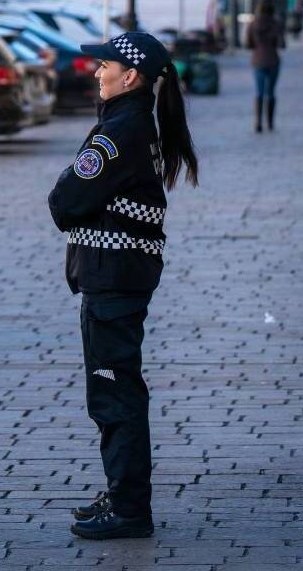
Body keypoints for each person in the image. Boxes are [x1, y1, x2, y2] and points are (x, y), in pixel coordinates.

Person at [48, 32, 198, 540]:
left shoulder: (120, 131)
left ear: (129, 76)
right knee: (116, 390)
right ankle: (121, 492)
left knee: (114, 394)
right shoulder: (133, 123)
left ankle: (130, 508)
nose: (96, 73)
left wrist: (71, 183)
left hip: (114, 277)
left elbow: (65, 201)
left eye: (104, 66)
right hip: (121, 275)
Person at [246, 0, 285, 133]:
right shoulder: (276, 24)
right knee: (271, 93)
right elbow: (282, 44)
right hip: (273, 60)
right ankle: (270, 122)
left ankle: (258, 122)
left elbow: (248, 44)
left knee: (259, 92)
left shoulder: (253, 24)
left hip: (258, 60)